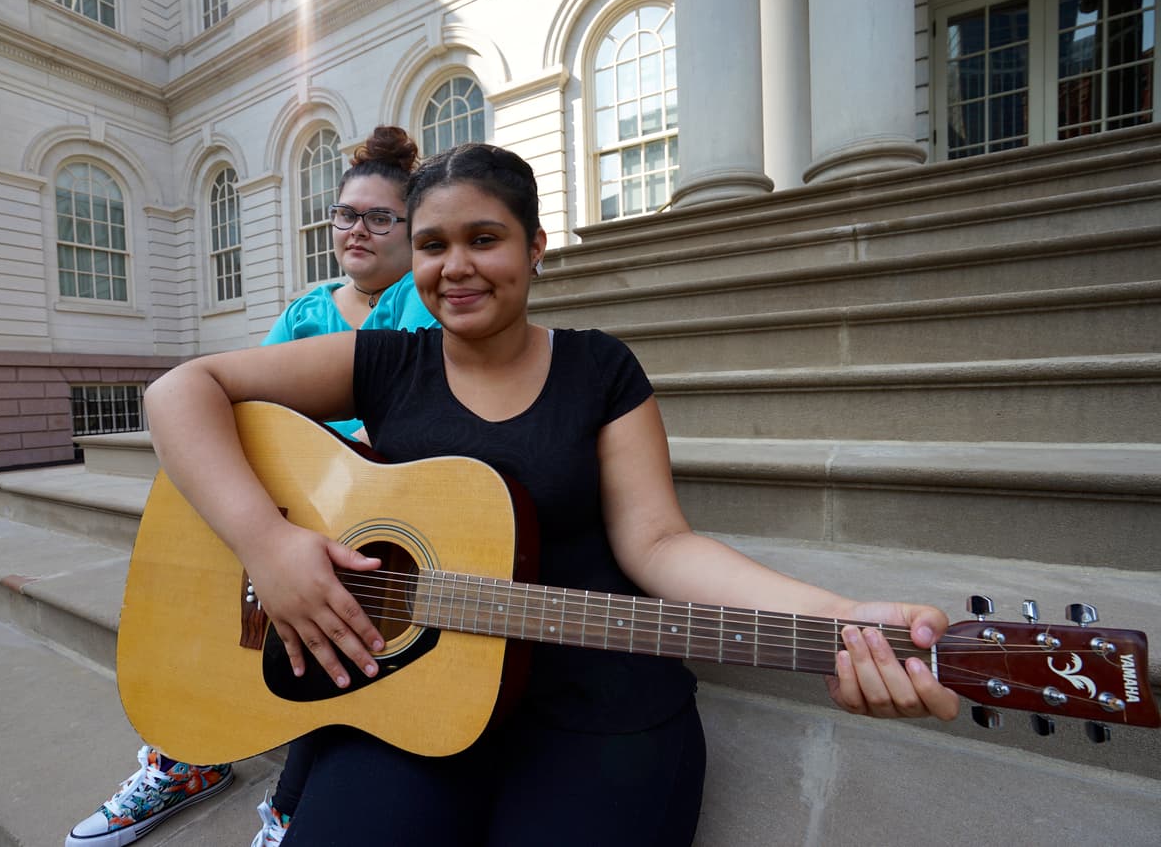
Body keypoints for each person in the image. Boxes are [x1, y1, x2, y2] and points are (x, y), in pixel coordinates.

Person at [139, 143, 962, 847]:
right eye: (431, 245)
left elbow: (661, 544)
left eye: (483, 238)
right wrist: (268, 544)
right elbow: (181, 390)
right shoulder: (383, 360)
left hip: (595, 703)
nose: (454, 266)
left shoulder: (600, 368)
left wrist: (842, 620)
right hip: (410, 698)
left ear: (536, 248)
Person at [65, 125, 436, 847]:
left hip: (380, 521)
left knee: (324, 622)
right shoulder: (306, 311)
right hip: (299, 506)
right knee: (214, 546)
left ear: (412, 228)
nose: (356, 230)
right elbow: (243, 416)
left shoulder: (429, 302)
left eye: (379, 217)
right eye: (345, 214)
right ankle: (186, 757)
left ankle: (291, 805)